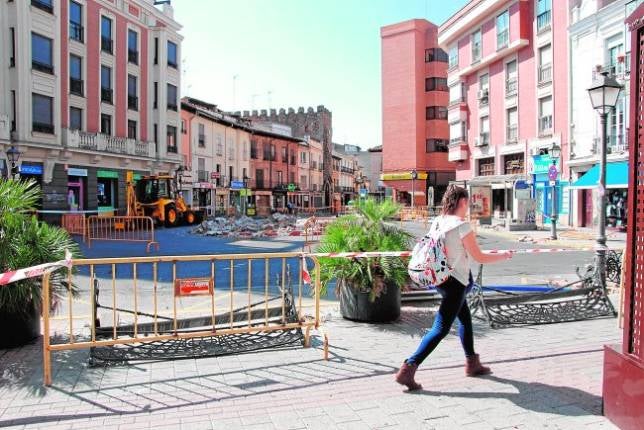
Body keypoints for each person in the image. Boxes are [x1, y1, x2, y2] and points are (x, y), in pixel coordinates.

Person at [396, 185, 512, 391]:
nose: (468, 207)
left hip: (442, 279)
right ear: (463, 202)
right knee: (440, 328)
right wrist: (504, 256)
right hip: (456, 284)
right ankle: (409, 367)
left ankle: (472, 363)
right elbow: (479, 257)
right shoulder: (461, 225)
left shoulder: (439, 221)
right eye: (467, 203)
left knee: (465, 317)